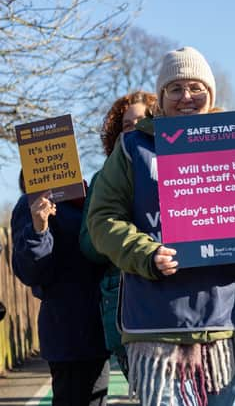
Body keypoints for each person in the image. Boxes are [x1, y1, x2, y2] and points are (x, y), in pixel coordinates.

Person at [87, 47, 235, 406]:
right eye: (175, 88)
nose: (186, 97)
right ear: (160, 98)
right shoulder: (134, 148)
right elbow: (103, 219)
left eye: (196, 87)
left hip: (228, 325)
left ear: (211, 95)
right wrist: (145, 254)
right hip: (158, 327)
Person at [12, 172, 110, 405]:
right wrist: (39, 230)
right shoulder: (30, 207)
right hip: (69, 333)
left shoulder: (89, 198)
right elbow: (31, 272)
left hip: (100, 327)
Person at [79, 90, 157, 380]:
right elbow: (89, 243)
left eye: (144, 121)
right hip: (125, 302)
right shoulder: (104, 179)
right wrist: (124, 235)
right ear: (116, 133)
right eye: (127, 125)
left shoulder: (175, 168)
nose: (136, 129)